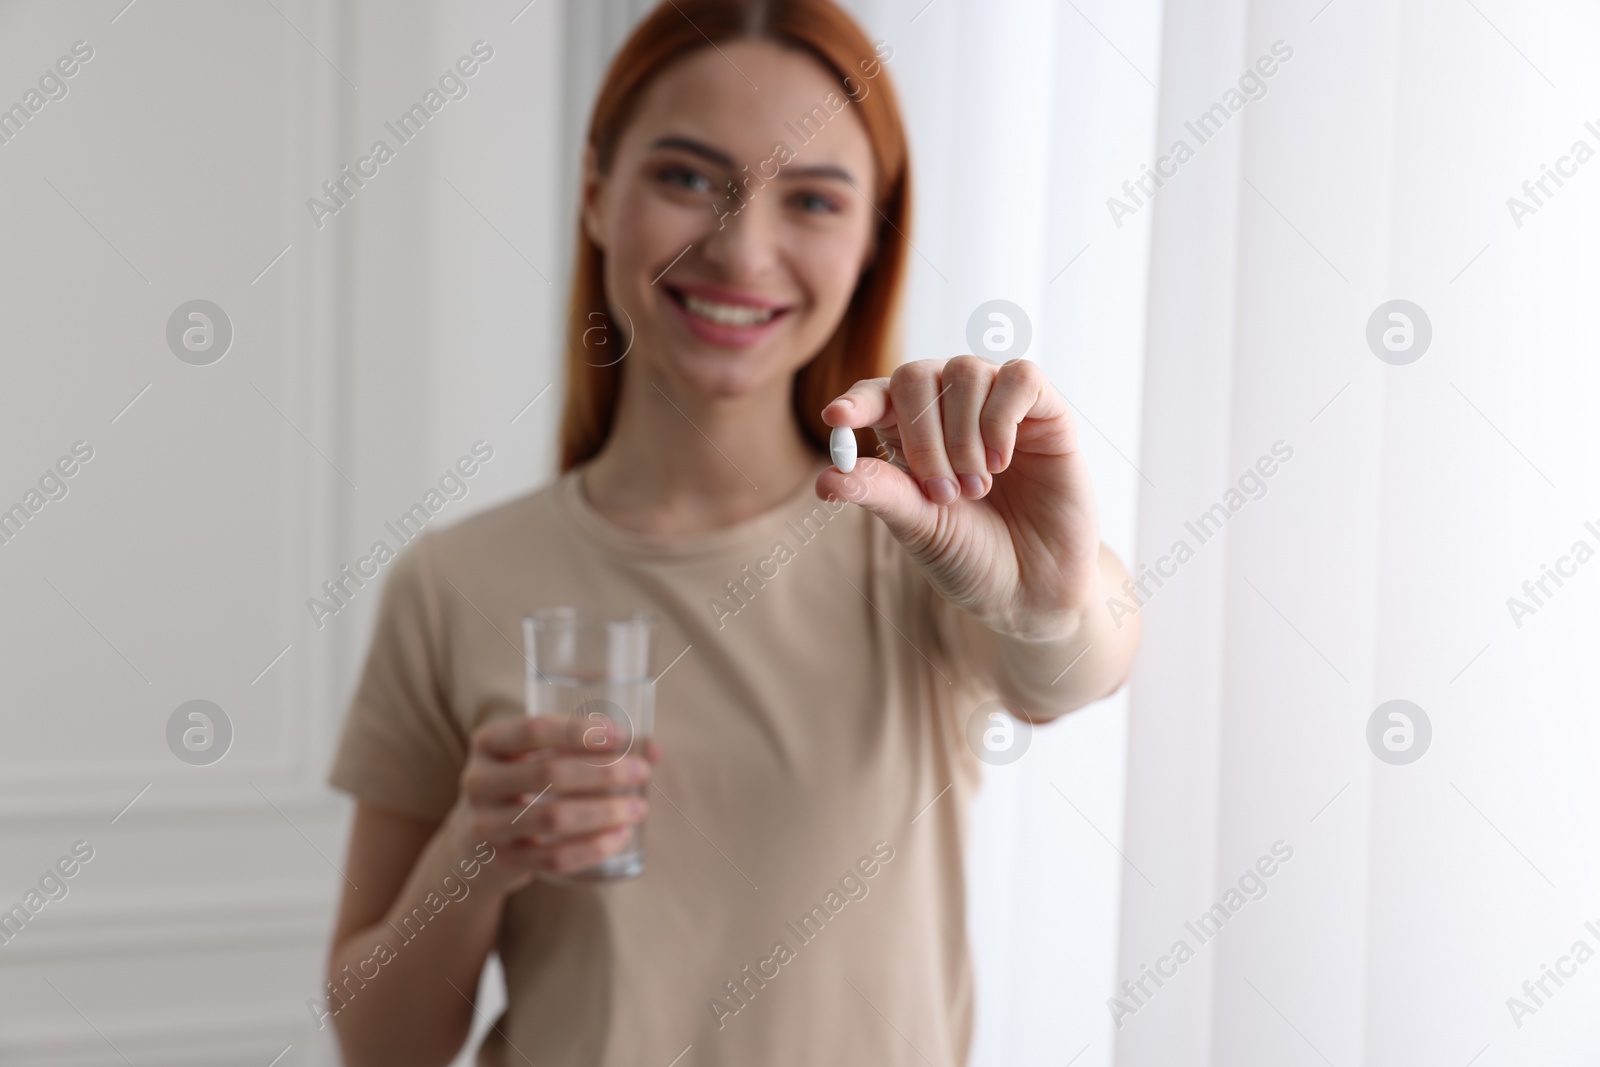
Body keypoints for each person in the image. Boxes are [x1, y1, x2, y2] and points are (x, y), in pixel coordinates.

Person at [322, 1, 1141, 1064]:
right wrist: (477, 851)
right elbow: (383, 1044)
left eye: (811, 198)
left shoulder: (917, 543)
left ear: (870, 239)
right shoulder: (453, 581)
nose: (741, 248)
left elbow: (1077, 663)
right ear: (595, 196)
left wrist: (1045, 599)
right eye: (685, 177)